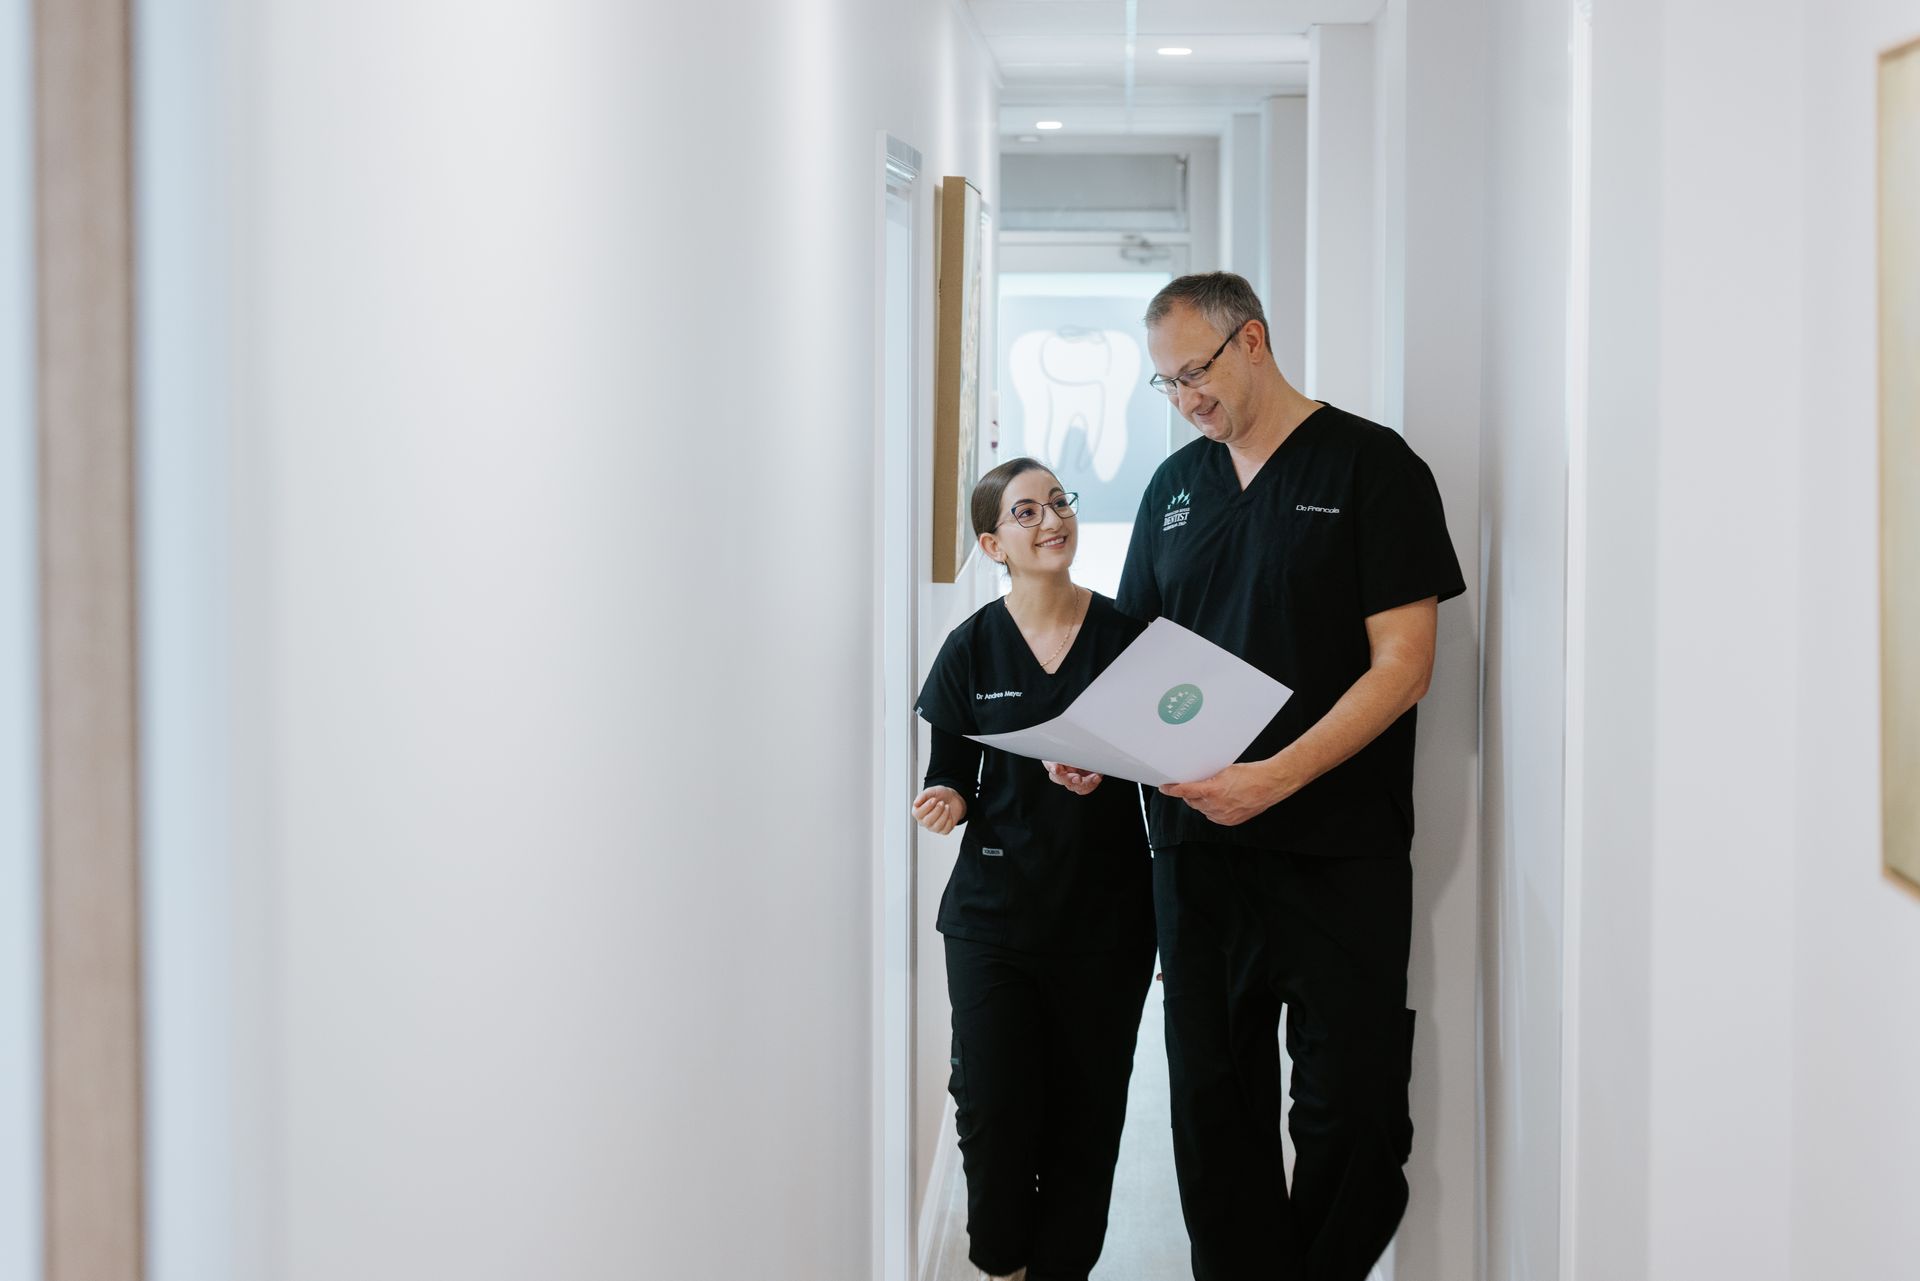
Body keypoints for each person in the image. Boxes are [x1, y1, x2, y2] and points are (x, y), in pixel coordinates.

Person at [1099, 272, 1465, 1281]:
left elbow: (1406, 664)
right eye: (1165, 385)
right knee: (1214, 1111)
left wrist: (1275, 778)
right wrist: (1091, 749)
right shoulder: (1177, 487)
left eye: (1195, 374)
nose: (1185, 402)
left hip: (1336, 848)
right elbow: (1133, 656)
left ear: (1252, 341)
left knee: (1352, 1114)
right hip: (1197, 853)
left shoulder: (1370, 467)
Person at [912, 457, 1157, 1281]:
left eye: (1059, 502)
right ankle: (1002, 1263)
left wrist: (1113, 767)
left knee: (1088, 1118)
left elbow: (1166, 758)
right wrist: (944, 794)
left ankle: (1062, 1269)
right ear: (994, 543)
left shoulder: (1127, 638)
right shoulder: (972, 647)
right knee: (993, 1106)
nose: (1051, 519)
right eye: (1026, 512)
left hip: (1106, 920)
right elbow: (950, 765)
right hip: (992, 918)